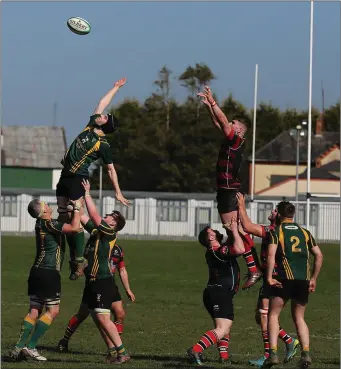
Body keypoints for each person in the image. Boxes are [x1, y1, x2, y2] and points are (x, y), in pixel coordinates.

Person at [56, 78, 130, 281]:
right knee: (64, 218)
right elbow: (102, 103)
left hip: (78, 179)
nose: (102, 115)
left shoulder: (103, 144)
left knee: (74, 215)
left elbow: (111, 169)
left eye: (106, 117)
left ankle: (78, 261)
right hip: (65, 176)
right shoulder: (90, 125)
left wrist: (117, 191)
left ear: (106, 125)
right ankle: (75, 254)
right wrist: (115, 88)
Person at [197, 86, 262, 290]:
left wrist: (214, 102)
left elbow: (223, 122)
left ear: (239, 131)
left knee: (235, 230)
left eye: (234, 124)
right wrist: (209, 107)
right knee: (240, 230)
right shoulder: (232, 140)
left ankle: (254, 269)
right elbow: (219, 122)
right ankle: (254, 268)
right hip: (228, 189)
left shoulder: (235, 140)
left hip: (228, 190)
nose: (230, 124)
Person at [8, 198, 82, 362]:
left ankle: (18, 347)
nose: (49, 205)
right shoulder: (49, 224)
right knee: (53, 311)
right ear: (43, 212)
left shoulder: (41, 224)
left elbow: (63, 224)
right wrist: (77, 208)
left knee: (34, 311)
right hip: (49, 273)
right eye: (45, 205)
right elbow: (75, 228)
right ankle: (31, 347)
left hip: (36, 272)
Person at [68, 179, 131, 364]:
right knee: (97, 316)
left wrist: (87, 193)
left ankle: (122, 353)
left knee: (103, 318)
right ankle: (114, 351)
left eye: (111, 216)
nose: (107, 216)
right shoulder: (98, 232)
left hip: (103, 280)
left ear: (113, 225)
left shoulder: (109, 233)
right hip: (95, 281)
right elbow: (82, 217)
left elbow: (93, 215)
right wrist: (74, 205)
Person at [236, 193, 299, 368]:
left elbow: (248, 226)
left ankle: (269, 355)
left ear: (278, 215)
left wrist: (241, 204)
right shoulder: (274, 230)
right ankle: (288, 341)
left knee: (265, 316)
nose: (271, 211)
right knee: (261, 316)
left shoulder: (272, 231)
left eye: (274, 210)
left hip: (275, 278)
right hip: (272, 277)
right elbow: (246, 229)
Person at [262, 201, 323, 369]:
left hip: (283, 279)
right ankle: (306, 354)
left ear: (280, 215)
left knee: (273, 315)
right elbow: (319, 255)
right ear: (293, 214)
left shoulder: (276, 231)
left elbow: (271, 255)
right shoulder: (305, 232)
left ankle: (273, 354)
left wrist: (268, 277)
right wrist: (314, 278)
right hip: (303, 280)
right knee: (299, 317)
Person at [58, 239, 136, 361]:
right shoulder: (94, 247)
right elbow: (84, 264)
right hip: (93, 286)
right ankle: (64, 340)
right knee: (83, 315)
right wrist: (78, 272)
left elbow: (122, 269)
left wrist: (128, 289)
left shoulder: (118, 250)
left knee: (119, 313)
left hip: (109, 285)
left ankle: (115, 346)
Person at [186, 218, 245, 366]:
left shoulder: (217, 250)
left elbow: (231, 242)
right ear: (211, 237)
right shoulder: (218, 251)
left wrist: (232, 228)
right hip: (220, 293)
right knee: (222, 328)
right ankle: (196, 349)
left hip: (215, 293)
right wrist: (235, 231)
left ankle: (224, 357)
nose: (214, 230)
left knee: (224, 326)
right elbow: (240, 249)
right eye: (211, 231)